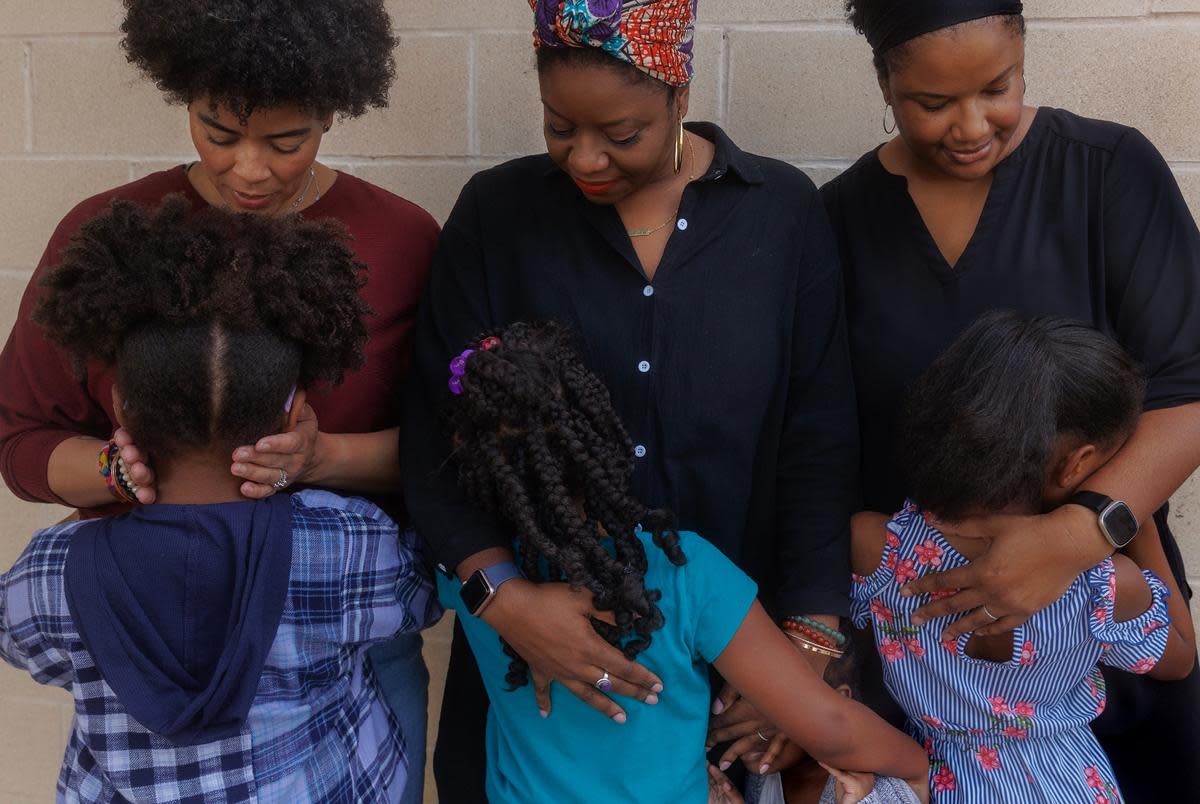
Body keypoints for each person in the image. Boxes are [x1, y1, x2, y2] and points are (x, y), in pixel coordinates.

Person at [403, 1, 860, 798]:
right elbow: (436, 431)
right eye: (559, 127)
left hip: (726, 672)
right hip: (531, 678)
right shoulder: (497, 216)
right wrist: (500, 598)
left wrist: (808, 642)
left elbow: (817, 437)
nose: (586, 157)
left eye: (622, 135)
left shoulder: (781, 212)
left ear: (679, 95)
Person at [0, 2, 439, 798]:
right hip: (149, 630)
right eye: (216, 130)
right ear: (182, 95)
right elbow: (21, 437)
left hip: (344, 640)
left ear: (335, 109)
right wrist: (113, 471)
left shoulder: (403, 242)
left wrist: (326, 457)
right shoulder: (105, 234)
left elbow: (449, 450)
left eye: (286, 140)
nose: (248, 171)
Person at [820, 2, 1200, 799]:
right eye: (932, 103)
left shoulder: (1107, 170)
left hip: (1098, 605)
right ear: (884, 80)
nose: (971, 125)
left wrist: (1076, 537)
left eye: (1000, 86)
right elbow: (817, 441)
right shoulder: (838, 220)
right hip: (921, 649)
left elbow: (1187, 389)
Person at [431, 320, 926, 803]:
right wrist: (916, 766)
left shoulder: (480, 587)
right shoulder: (685, 572)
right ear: (604, 434)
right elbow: (831, 726)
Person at [849, 312, 1195, 802]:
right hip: (1072, 784)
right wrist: (1137, 521)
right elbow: (1179, 659)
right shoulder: (1106, 586)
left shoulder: (875, 546)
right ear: (1078, 465)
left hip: (933, 781)